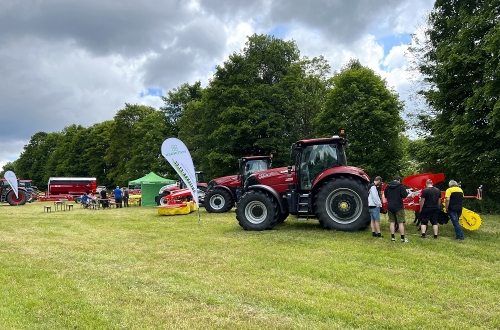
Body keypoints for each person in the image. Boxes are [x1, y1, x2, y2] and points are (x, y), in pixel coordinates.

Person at [384, 175, 409, 243]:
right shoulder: (401, 186)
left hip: (390, 206)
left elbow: (385, 195)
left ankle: (393, 238)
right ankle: (402, 239)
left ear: (393, 179)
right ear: (399, 180)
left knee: (392, 222)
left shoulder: (387, 186)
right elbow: (405, 195)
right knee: (400, 223)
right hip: (398, 206)